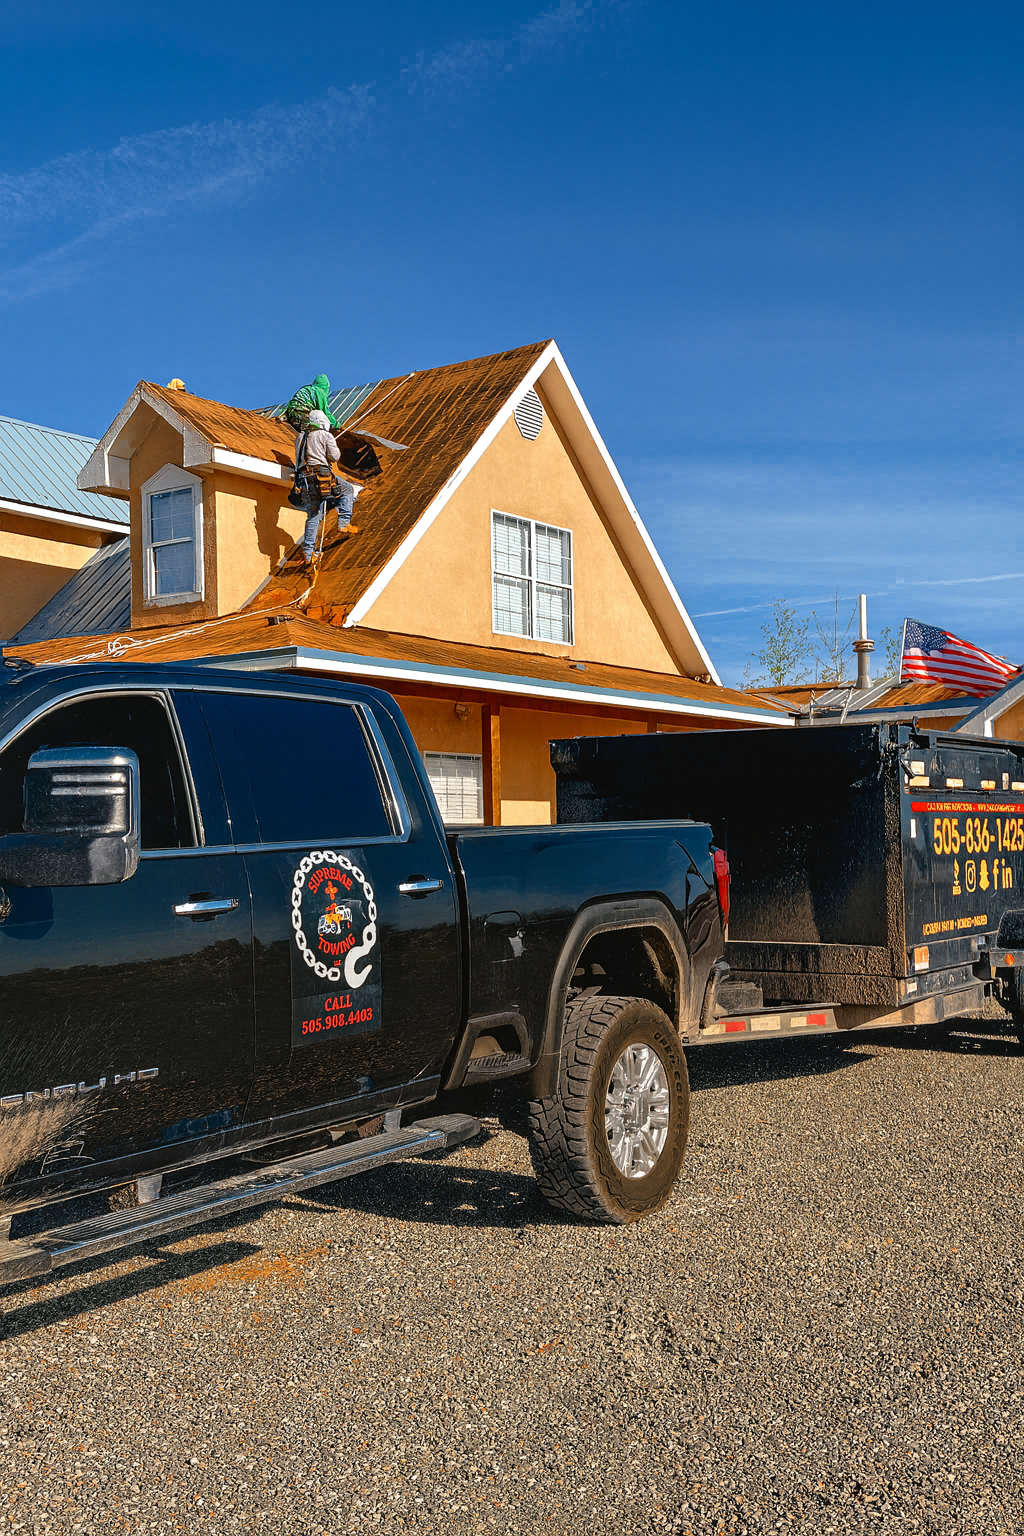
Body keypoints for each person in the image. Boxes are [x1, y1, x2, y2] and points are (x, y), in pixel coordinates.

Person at [294, 410, 361, 565]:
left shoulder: (300, 437)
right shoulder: (325, 435)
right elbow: (335, 456)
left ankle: (309, 554)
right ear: (322, 422)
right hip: (321, 474)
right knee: (347, 490)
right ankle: (344, 522)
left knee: (313, 514)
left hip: (303, 478)